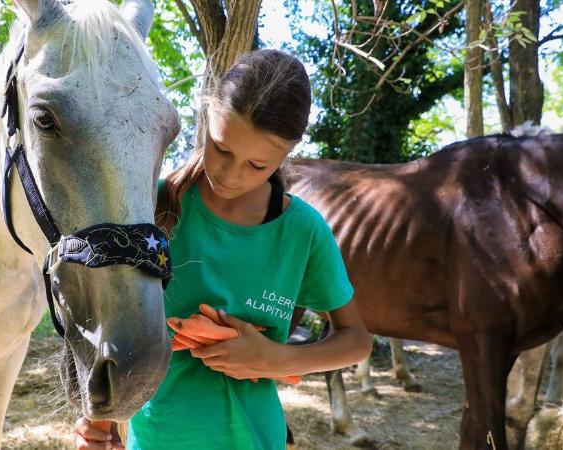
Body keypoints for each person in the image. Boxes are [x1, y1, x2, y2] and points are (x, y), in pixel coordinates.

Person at [74, 49, 372, 450]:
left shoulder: (302, 231)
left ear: (286, 155)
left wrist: (274, 358)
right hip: (156, 437)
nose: (230, 175)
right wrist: (101, 419)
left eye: (257, 165)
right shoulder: (151, 208)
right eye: (222, 148)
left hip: (257, 438)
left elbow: (356, 340)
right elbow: (110, 320)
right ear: (207, 117)